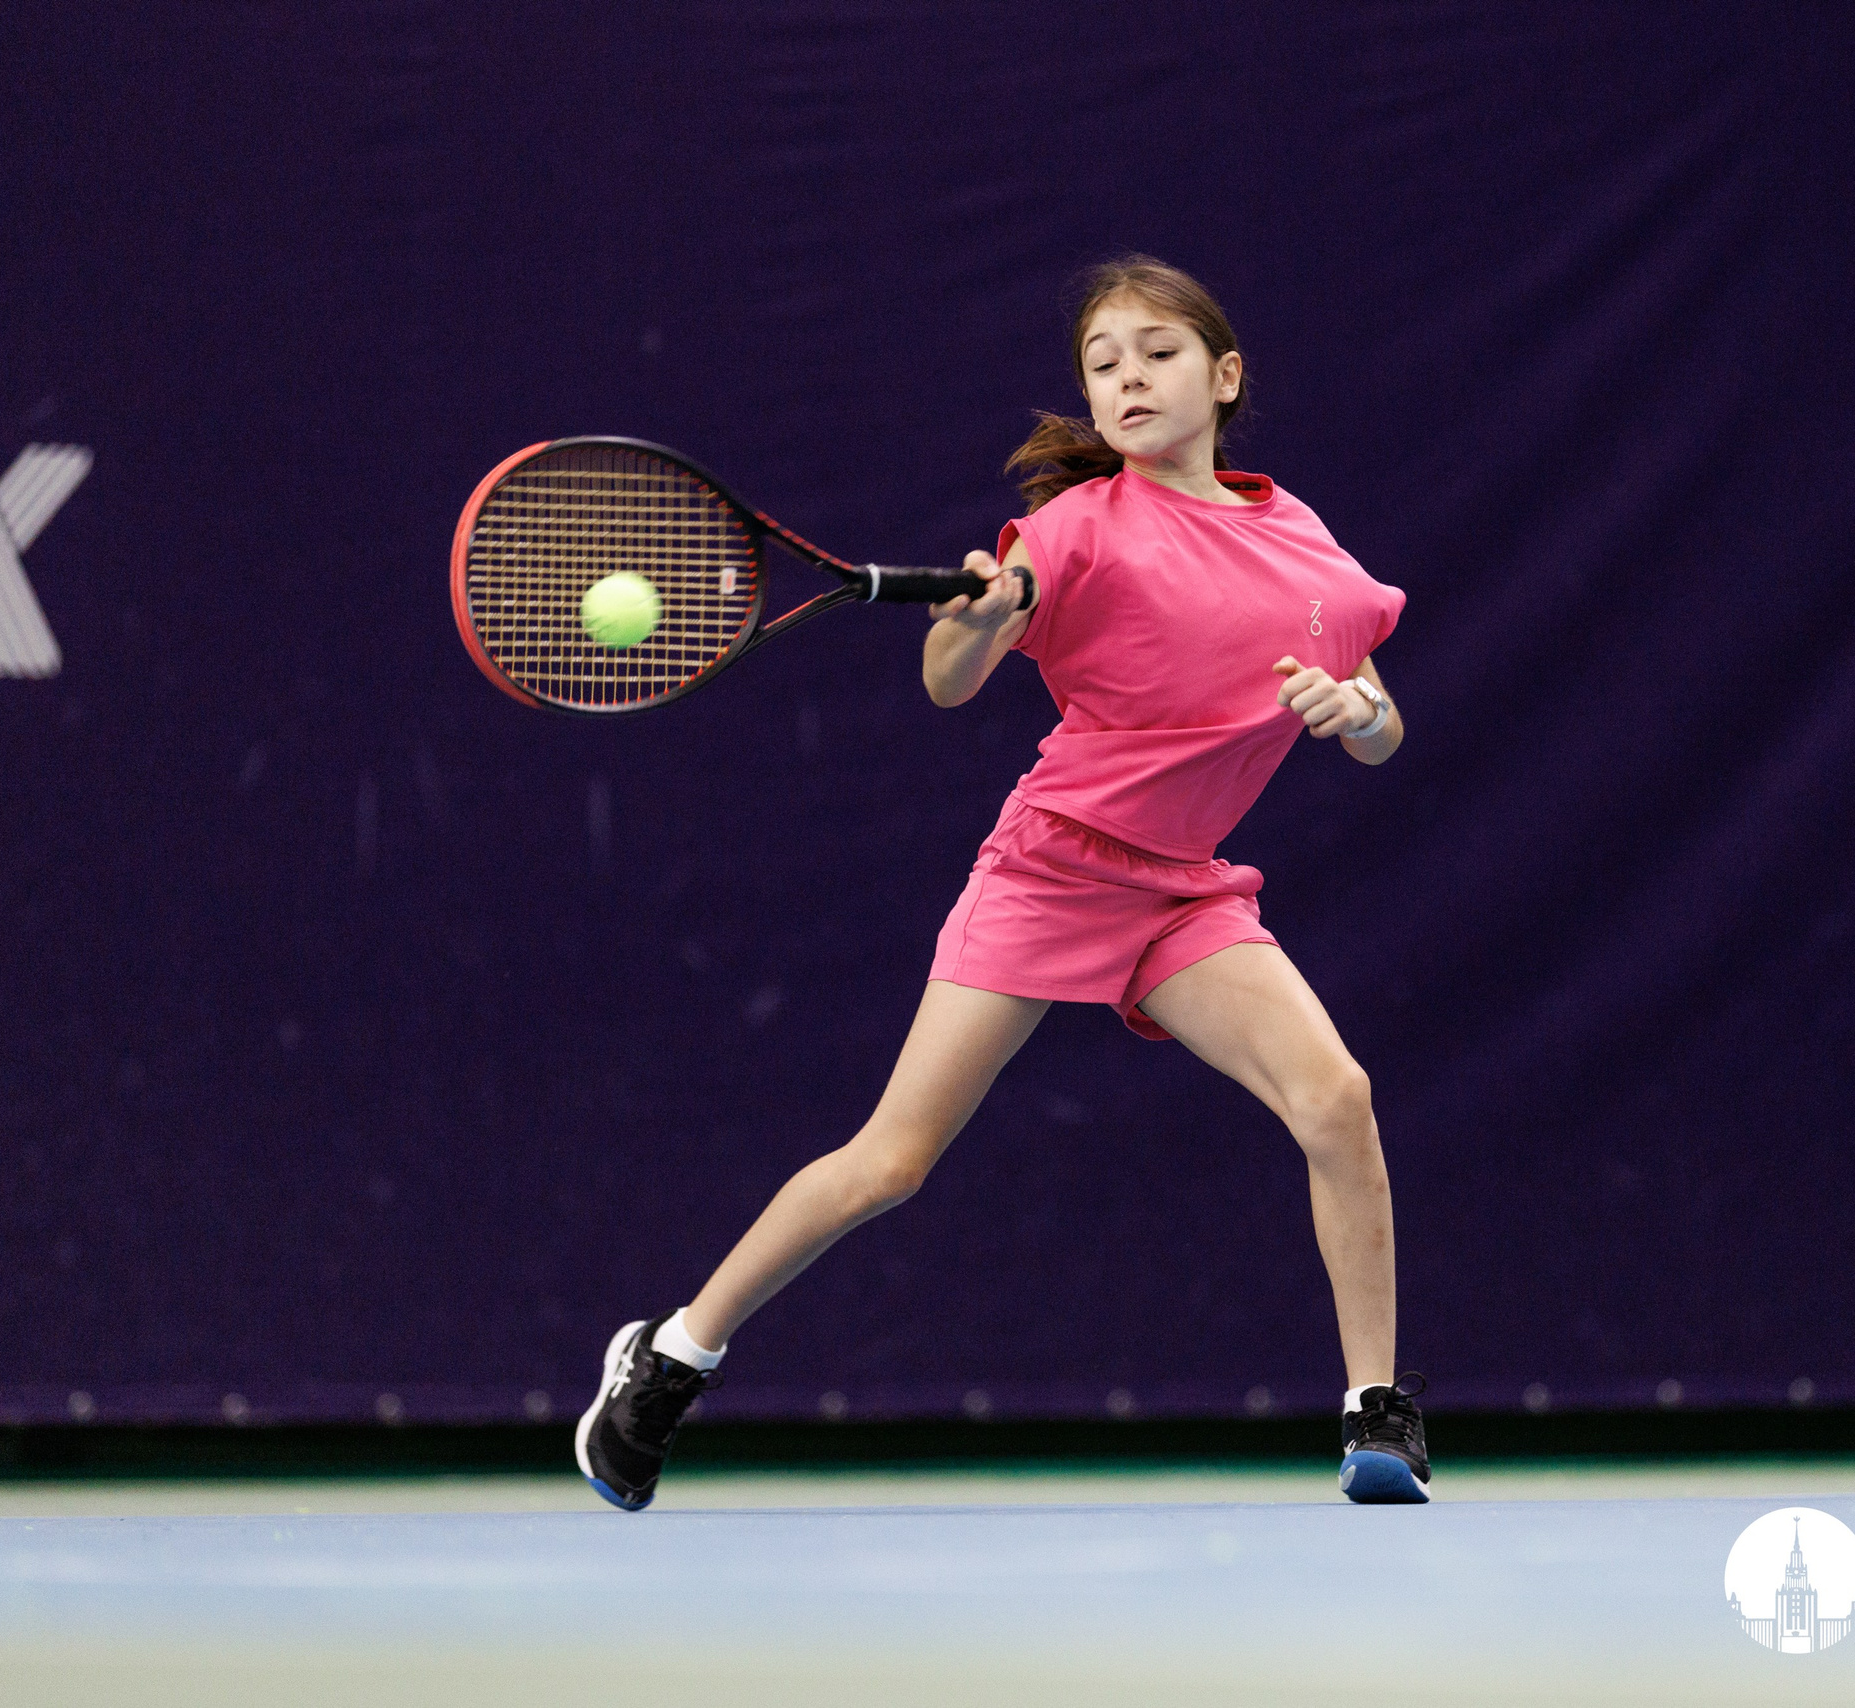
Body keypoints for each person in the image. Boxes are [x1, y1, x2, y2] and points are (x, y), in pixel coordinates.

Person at [578, 256, 1428, 1507]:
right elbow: (946, 680)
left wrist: (1355, 711)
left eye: (1157, 350)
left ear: (1224, 375)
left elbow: (1381, 719)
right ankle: (670, 1353)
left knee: (1335, 1098)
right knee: (891, 1161)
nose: (1128, 377)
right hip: (1053, 869)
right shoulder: (1078, 528)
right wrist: (982, 611)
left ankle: (1376, 1412)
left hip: (1185, 897)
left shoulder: (1301, 539)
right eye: (1103, 363)